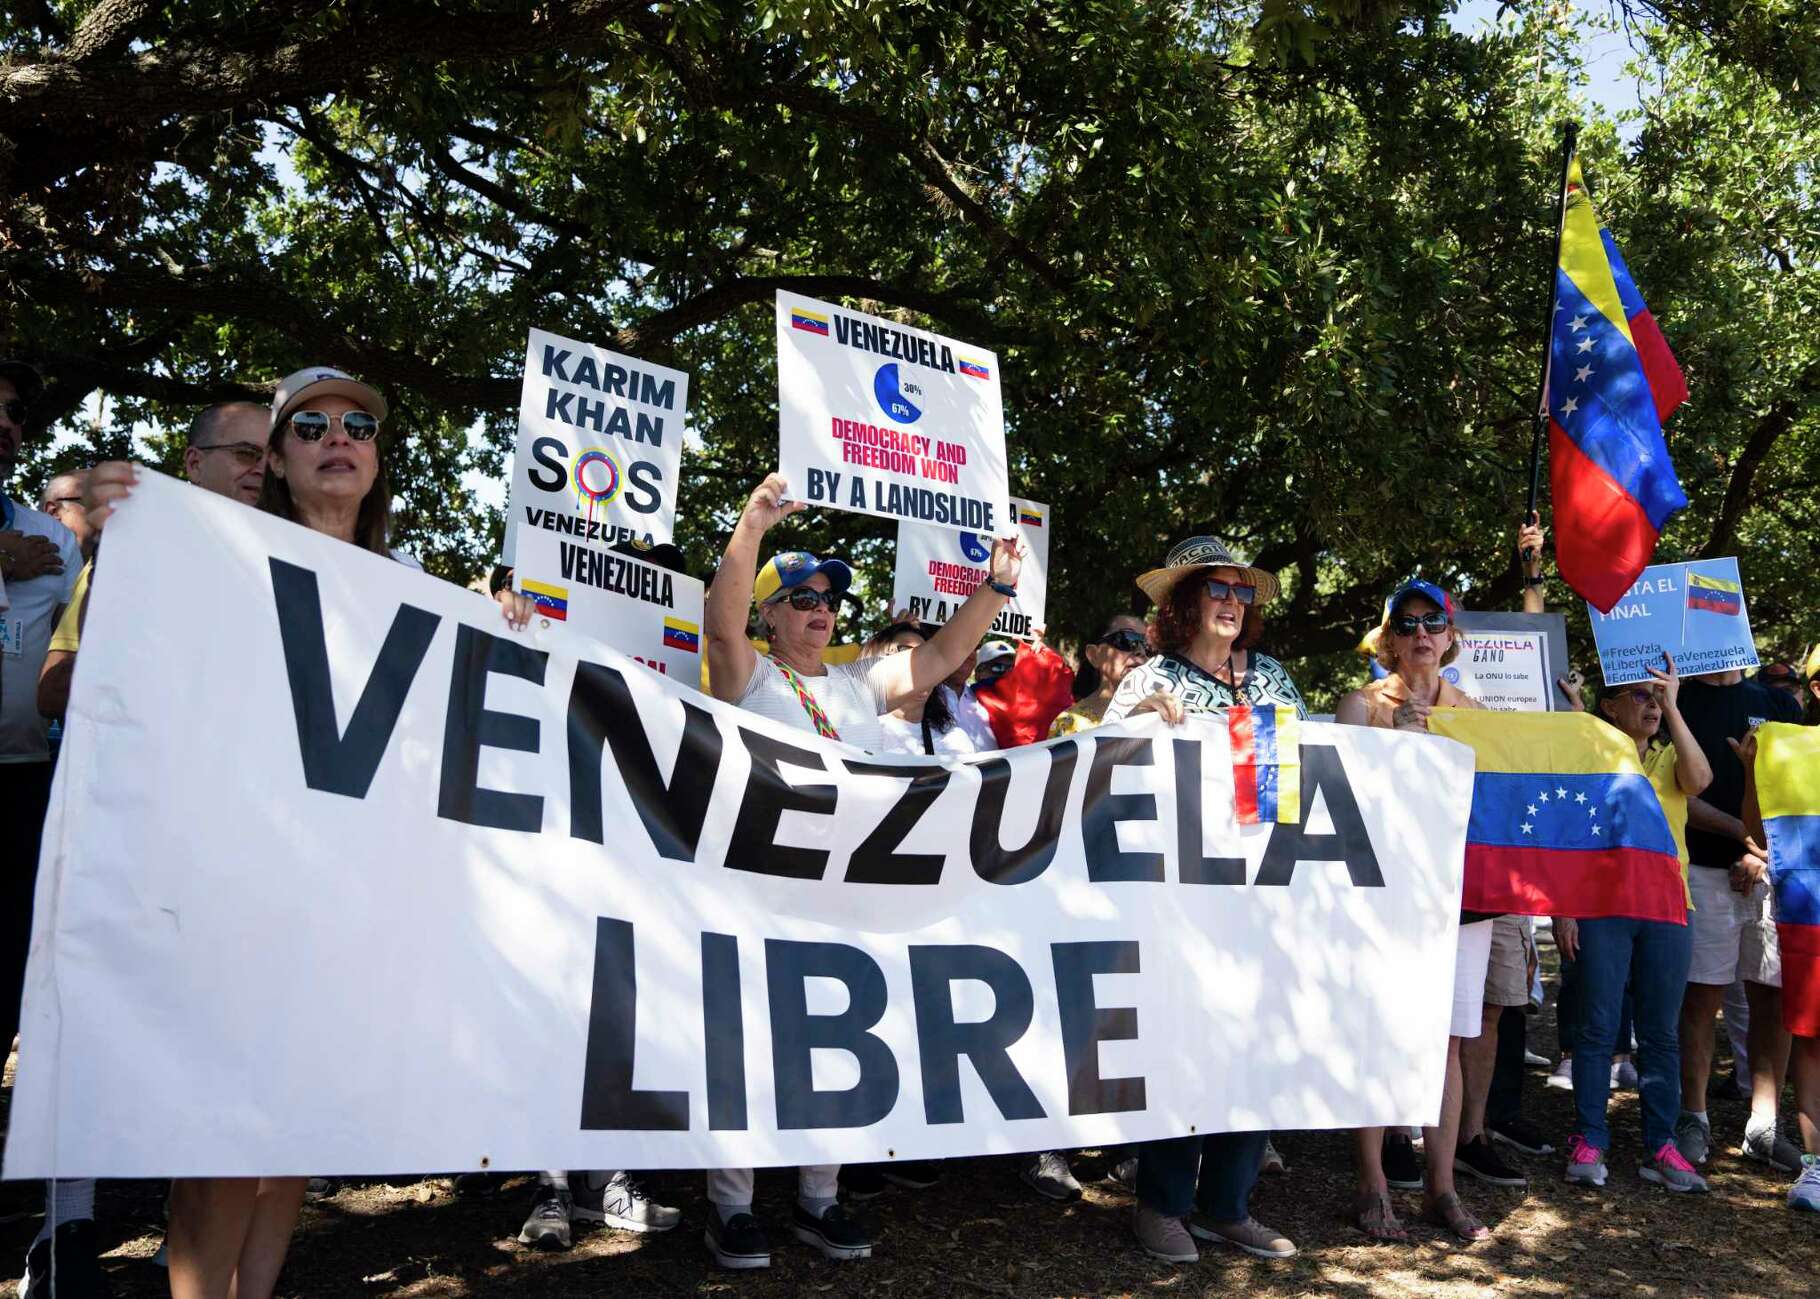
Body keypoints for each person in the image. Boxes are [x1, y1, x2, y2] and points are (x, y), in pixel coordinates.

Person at [83, 367, 534, 1299]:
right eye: (313, 423)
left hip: (349, 903)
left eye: (360, 425)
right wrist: (110, 519)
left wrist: (504, 634)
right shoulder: (214, 553)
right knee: (215, 1140)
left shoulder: (414, 588)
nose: (340, 435)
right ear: (277, 463)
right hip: (235, 887)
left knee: (292, 1132)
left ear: (375, 462)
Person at [701, 471, 1024, 1269]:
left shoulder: (856, 683)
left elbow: (947, 652)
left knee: (837, 1042)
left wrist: (996, 586)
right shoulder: (750, 676)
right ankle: (733, 1207)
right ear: (772, 613)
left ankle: (819, 1195)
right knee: (747, 1044)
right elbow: (718, 620)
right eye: (802, 596)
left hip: (841, 892)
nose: (821, 609)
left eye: (830, 599)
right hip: (758, 888)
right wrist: (753, 525)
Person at [1106, 536, 1298, 1265]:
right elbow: (1105, 777)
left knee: (1251, 1047)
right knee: (1180, 1044)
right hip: (1175, 901)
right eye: (1216, 588)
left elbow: (1292, 787)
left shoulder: (1274, 678)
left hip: (1258, 897)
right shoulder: (1146, 681)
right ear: (1183, 602)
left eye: (1241, 591)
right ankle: (1160, 1203)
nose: (1231, 601)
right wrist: (1138, 729)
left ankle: (1226, 1207)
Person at [1335, 578, 1491, 1243]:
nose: (1422, 632)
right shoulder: (1358, 704)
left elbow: (1495, 813)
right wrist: (1393, 746)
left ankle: (1442, 1186)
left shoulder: (1478, 716)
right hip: (1382, 894)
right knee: (1378, 1025)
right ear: (1391, 638)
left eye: (1434, 621)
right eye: (1409, 622)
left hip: (1460, 896)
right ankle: (1372, 1182)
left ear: (1450, 637)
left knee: (1450, 1038)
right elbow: (1336, 798)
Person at [0, 361, 91, 1295]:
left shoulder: (46, 544)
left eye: (14, 414)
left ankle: (62, 1236)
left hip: (32, 792)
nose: (6, 424)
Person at [1554, 661, 1713, 1192]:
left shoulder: (1671, 756)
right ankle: (1591, 1138)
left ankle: (1660, 1147)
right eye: (1639, 695)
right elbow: (1566, 835)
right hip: (1602, 907)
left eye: (1657, 697)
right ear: (1609, 707)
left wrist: (1673, 705)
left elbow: (1701, 780)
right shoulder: (1591, 755)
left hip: (1669, 906)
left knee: (1661, 1034)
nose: (1650, 703)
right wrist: (1563, 909)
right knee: (1597, 1030)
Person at [1673, 665, 1804, 1174]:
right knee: (1701, 996)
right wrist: (1742, 836)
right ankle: (1694, 1116)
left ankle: (1765, 1125)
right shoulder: (1675, 700)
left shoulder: (1779, 706)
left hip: (1771, 875)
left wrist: (1763, 851)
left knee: (1772, 998)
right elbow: (1674, 790)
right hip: (1704, 871)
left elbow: (1795, 791)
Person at [1732, 730, 1820, 1211]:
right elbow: (1763, 837)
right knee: (1811, 1040)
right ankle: (1816, 1167)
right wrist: (1751, 768)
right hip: (1812, 916)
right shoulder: (1791, 750)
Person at [1051, 616, 1150, 737]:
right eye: (1127, 639)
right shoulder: (1067, 725)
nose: (1141, 651)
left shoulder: (1163, 715)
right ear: (1094, 655)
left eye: (1147, 644)